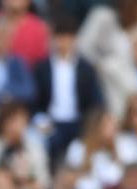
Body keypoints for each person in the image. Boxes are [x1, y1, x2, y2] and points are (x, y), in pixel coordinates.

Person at [32, 18, 102, 165]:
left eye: (68, 37)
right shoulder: (42, 68)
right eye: (60, 37)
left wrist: (90, 124)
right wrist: (40, 120)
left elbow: (95, 101)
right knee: (45, 144)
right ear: (53, 39)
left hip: (79, 123)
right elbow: (34, 100)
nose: (63, 42)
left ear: (75, 39)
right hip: (50, 122)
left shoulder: (86, 69)